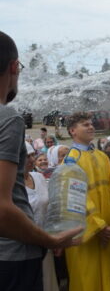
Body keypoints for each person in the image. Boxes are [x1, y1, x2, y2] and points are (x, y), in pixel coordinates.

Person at [0, 31, 81, 291]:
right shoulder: (8, 119)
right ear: (14, 67)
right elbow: (1, 209)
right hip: (13, 256)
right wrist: (49, 240)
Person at [64, 112, 110, 291]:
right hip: (88, 236)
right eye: (85, 125)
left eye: (91, 123)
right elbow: (76, 199)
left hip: (109, 230)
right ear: (72, 131)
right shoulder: (70, 161)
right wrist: (100, 227)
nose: (91, 127)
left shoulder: (102, 157)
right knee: (89, 280)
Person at [24, 142, 59, 291]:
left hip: (46, 243)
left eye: (33, 155)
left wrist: (56, 237)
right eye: (26, 156)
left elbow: (50, 207)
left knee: (48, 282)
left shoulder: (38, 177)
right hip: (25, 249)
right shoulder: (9, 183)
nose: (32, 159)